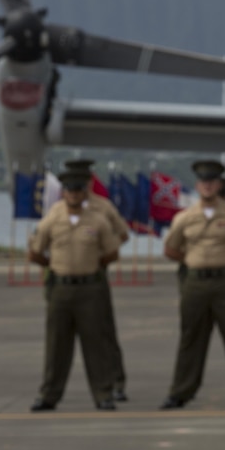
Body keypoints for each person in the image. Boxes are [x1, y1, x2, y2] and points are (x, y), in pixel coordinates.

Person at [160, 159, 225, 410]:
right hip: (195, 283)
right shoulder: (185, 218)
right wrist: (193, 261)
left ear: (219, 185)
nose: (207, 186)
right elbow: (171, 249)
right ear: (197, 186)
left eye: (212, 182)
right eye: (203, 182)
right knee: (190, 338)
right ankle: (180, 392)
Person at [27, 169, 121, 411]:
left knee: (95, 343)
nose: (74, 194)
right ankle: (49, 395)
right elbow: (35, 251)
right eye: (69, 190)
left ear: (84, 192)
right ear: (64, 193)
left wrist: (90, 267)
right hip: (60, 288)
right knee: (57, 345)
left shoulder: (98, 220)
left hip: (89, 288)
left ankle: (103, 394)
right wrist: (55, 267)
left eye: (78, 190)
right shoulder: (52, 219)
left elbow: (111, 252)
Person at [62, 158, 132, 402]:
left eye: (83, 180)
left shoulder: (103, 207)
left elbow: (122, 234)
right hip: (65, 277)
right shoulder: (59, 208)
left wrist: (102, 253)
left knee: (103, 330)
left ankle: (116, 381)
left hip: (95, 274)